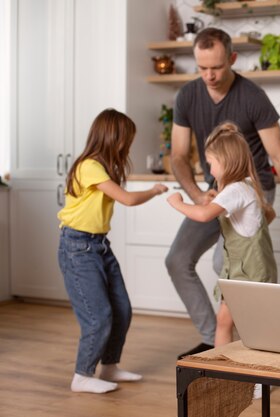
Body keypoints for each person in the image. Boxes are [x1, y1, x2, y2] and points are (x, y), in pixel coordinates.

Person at [165, 27, 280, 359]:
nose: (209, 75)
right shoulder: (188, 96)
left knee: (225, 261)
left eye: (216, 67)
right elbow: (178, 154)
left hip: (253, 188)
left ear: (232, 59)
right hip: (214, 190)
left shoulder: (252, 96)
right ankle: (215, 337)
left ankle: (247, 344)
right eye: (202, 68)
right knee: (177, 260)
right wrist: (195, 193)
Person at [57, 109, 168, 394]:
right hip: (78, 248)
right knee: (99, 316)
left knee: (122, 309)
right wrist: (155, 190)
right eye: (126, 140)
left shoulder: (101, 168)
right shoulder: (89, 166)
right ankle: (82, 375)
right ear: (113, 138)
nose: (128, 146)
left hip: (98, 245)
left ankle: (109, 366)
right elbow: (128, 200)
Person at [167, 122, 278, 346]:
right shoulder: (246, 186)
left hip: (248, 276)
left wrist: (177, 202)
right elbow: (268, 215)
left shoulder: (235, 190)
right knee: (225, 323)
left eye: (211, 163)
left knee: (250, 329)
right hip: (245, 274)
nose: (210, 170)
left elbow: (203, 215)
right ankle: (225, 373)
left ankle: (254, 377)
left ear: (225, 162)